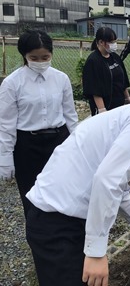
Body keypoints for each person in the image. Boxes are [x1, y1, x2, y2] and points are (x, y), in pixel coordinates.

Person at [25, 83, 130, 286]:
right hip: (58, 224)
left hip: (53, 216)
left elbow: (116, 181)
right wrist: (96, 253)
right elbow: (107, 181)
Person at [0, 30, 78, 216]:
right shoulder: (12, 83)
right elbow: (6, 123)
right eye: (34, 58)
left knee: (61, 191)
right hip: (27, 145)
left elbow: (70, 115)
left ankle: (62, 234)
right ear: (25, 56)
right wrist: (5, 157)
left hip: (58, 141)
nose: (41, 62)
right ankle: (38, 238)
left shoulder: (61, 79)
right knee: (31, 194)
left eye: (45, 57)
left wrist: (78, 143)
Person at [83, 27, 130, 116]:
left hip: (119, 105)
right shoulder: (93, 61)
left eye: (114, 41)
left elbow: (123, 79)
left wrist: (127, 98)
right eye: (111, 42)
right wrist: (102, 110)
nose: (114, 44)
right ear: (101, 42)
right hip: (105, 107)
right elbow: (94, 89)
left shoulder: (115, 57)